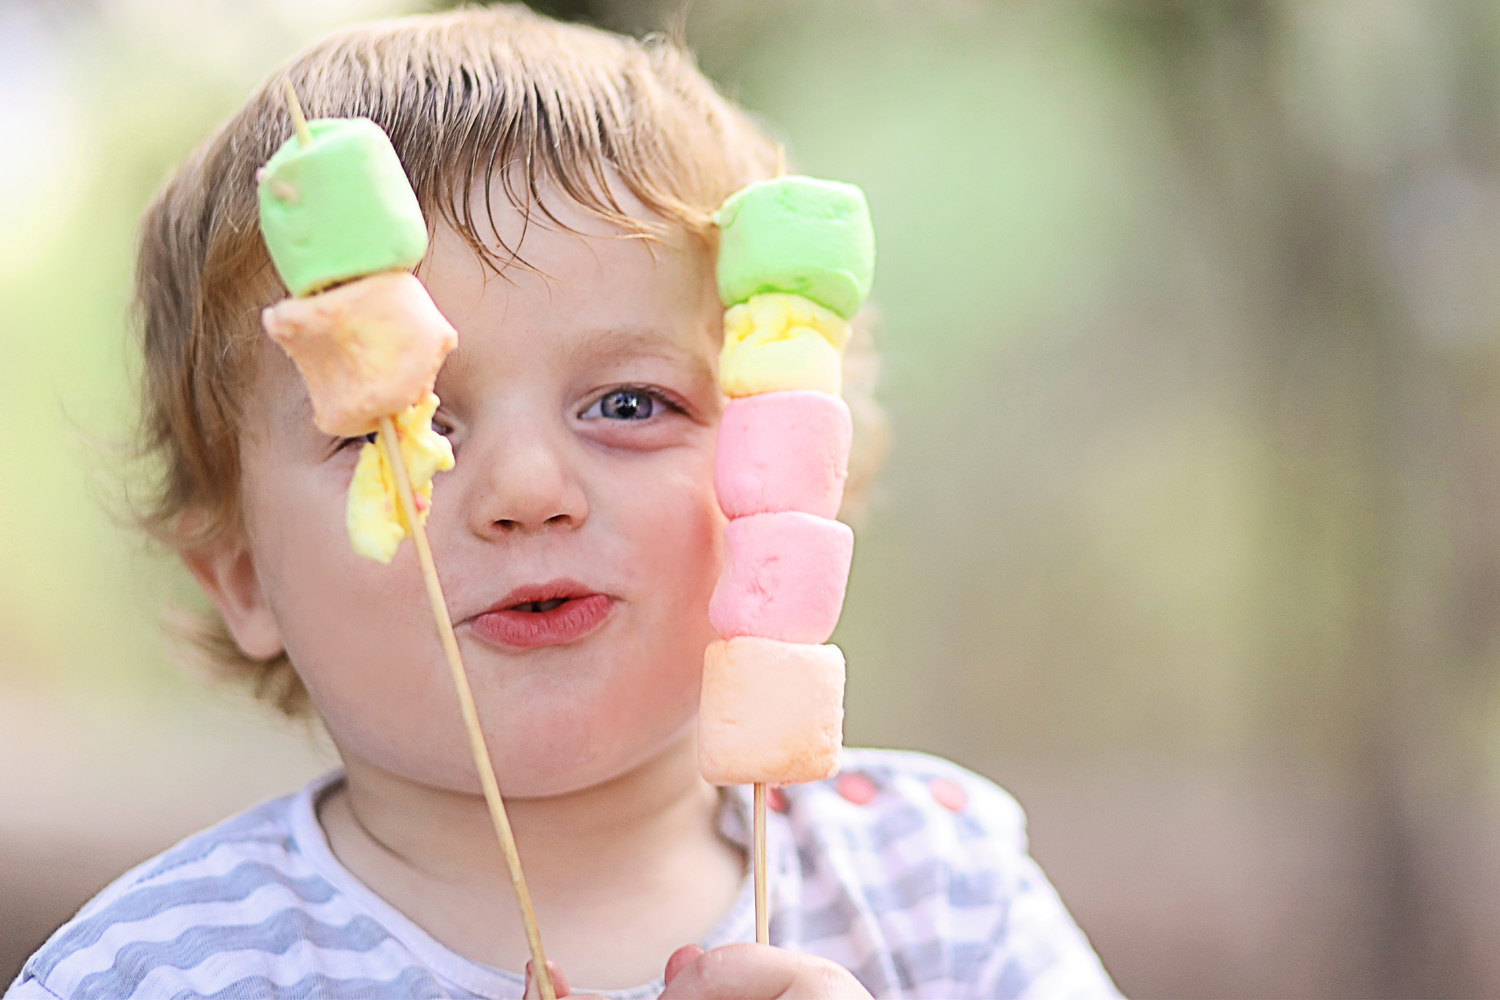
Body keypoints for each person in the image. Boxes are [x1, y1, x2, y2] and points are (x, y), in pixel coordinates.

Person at [5, 7, 1119, 999]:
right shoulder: (153, 970)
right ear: (244, 577)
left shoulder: (941, 892)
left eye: (630, 401)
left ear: (788, 466)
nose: (526, 490)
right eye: (403, 425)